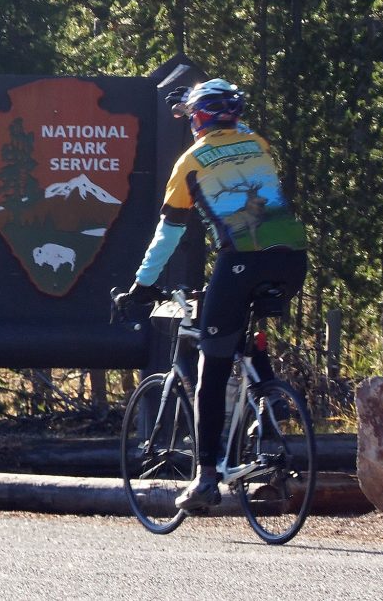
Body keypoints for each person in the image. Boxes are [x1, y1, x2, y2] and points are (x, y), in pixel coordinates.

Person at [121, 78, 308, 512]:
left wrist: (142, 285)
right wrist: (191, 102)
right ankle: (270, 409)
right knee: (243, 338)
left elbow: (169, 233)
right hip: (293, 257)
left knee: (212, 364)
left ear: (197, 120)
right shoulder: (256, 142)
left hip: (242, 259)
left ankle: (205, 478)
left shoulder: (191, 161)